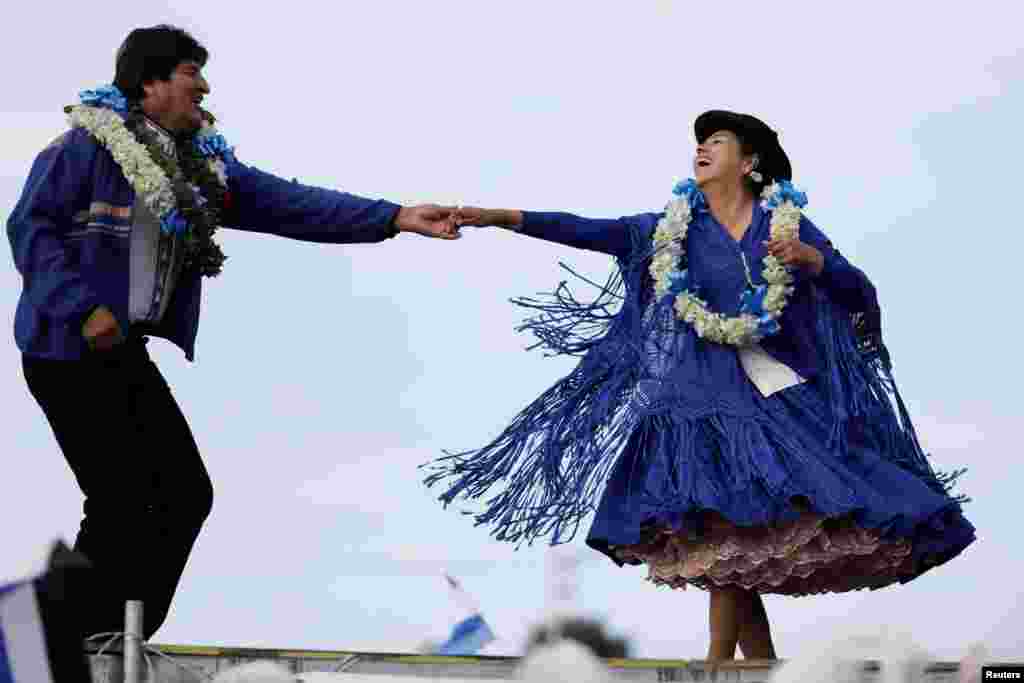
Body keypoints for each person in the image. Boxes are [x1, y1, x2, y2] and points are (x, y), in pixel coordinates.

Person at [426, 110, 976, 661]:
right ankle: (740, 667)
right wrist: (498, 216)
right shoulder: (672, 227)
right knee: (724, 534)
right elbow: (589, 229)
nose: (701, 148)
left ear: (750, 161)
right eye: (699, 142)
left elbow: (857, 291)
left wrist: (814, 262)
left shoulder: (784, 223)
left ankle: (729, 667)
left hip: (777, 401)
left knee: (734, 537)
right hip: (697, 406)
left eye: (716, 140)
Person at [7, 24, 459, 641]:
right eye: (193, 73)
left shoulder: (201, 167)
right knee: (121, 498)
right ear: (150, 83)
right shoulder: (82, 148)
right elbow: (30, 231)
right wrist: (83, 308)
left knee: (183, 494)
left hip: (121, 353)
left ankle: (111, 636)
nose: (206, 86)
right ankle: (51, 637)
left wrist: (395, 218)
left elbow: (290, 204)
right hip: (66, 350)